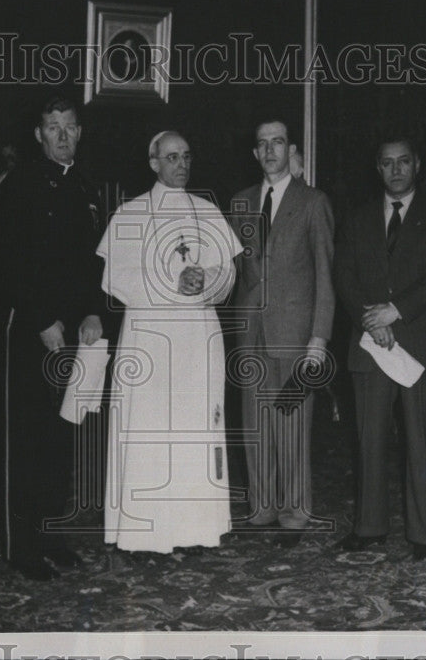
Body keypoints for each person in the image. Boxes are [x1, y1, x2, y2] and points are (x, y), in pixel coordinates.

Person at [97, 130, 242, 553]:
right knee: (151, 432)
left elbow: (229, 275)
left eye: (186, 156)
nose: (181, 164)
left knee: (195, 431)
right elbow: (115, 280)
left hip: (198, 338)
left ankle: (195, 530)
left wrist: (207, 280)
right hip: (150, 341)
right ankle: (144, 533)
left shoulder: (207, 211)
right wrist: (171, 281)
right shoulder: (129, 214)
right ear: (153, 163)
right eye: (172, 157)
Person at [0, 96, 104, 581]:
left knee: (62, 437)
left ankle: (52, 533)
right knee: (26, 441)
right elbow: (8, 262)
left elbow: (94, 262)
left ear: (79, 133)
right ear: (38, 135)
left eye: (69, 127)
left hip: (73, 331)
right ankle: (22, 546)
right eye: (52, 127)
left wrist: (94, 314)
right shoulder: (18, 185)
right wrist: (41, 320)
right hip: (31, 331)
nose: (61, 135)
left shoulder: (85, 186)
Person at [333, 137, 426, 561]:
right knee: (369, 440)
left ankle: (423, 535)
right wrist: (371, 319)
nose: (396, 170)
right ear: (378, 168)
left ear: (417, 164)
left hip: (420, 345)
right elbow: (344, 276)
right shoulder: (356, 218)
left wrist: (396, 312)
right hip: (369, 344)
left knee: (422, 442)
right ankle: (369, 527)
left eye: (404, 161)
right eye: (387, 164)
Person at [229, 119, 334, 545]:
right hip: (251, 331)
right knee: (255, 423)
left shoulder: (313, 202)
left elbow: (326, 275)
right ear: (255, 153)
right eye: (262, 144)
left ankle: (293, 512)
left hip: (296, 334)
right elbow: (234, 272)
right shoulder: (240, 203)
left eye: (278, 142)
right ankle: (262, 507)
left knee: (291, 423)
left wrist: (319, 339)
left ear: (291, 149)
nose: (270, 150)